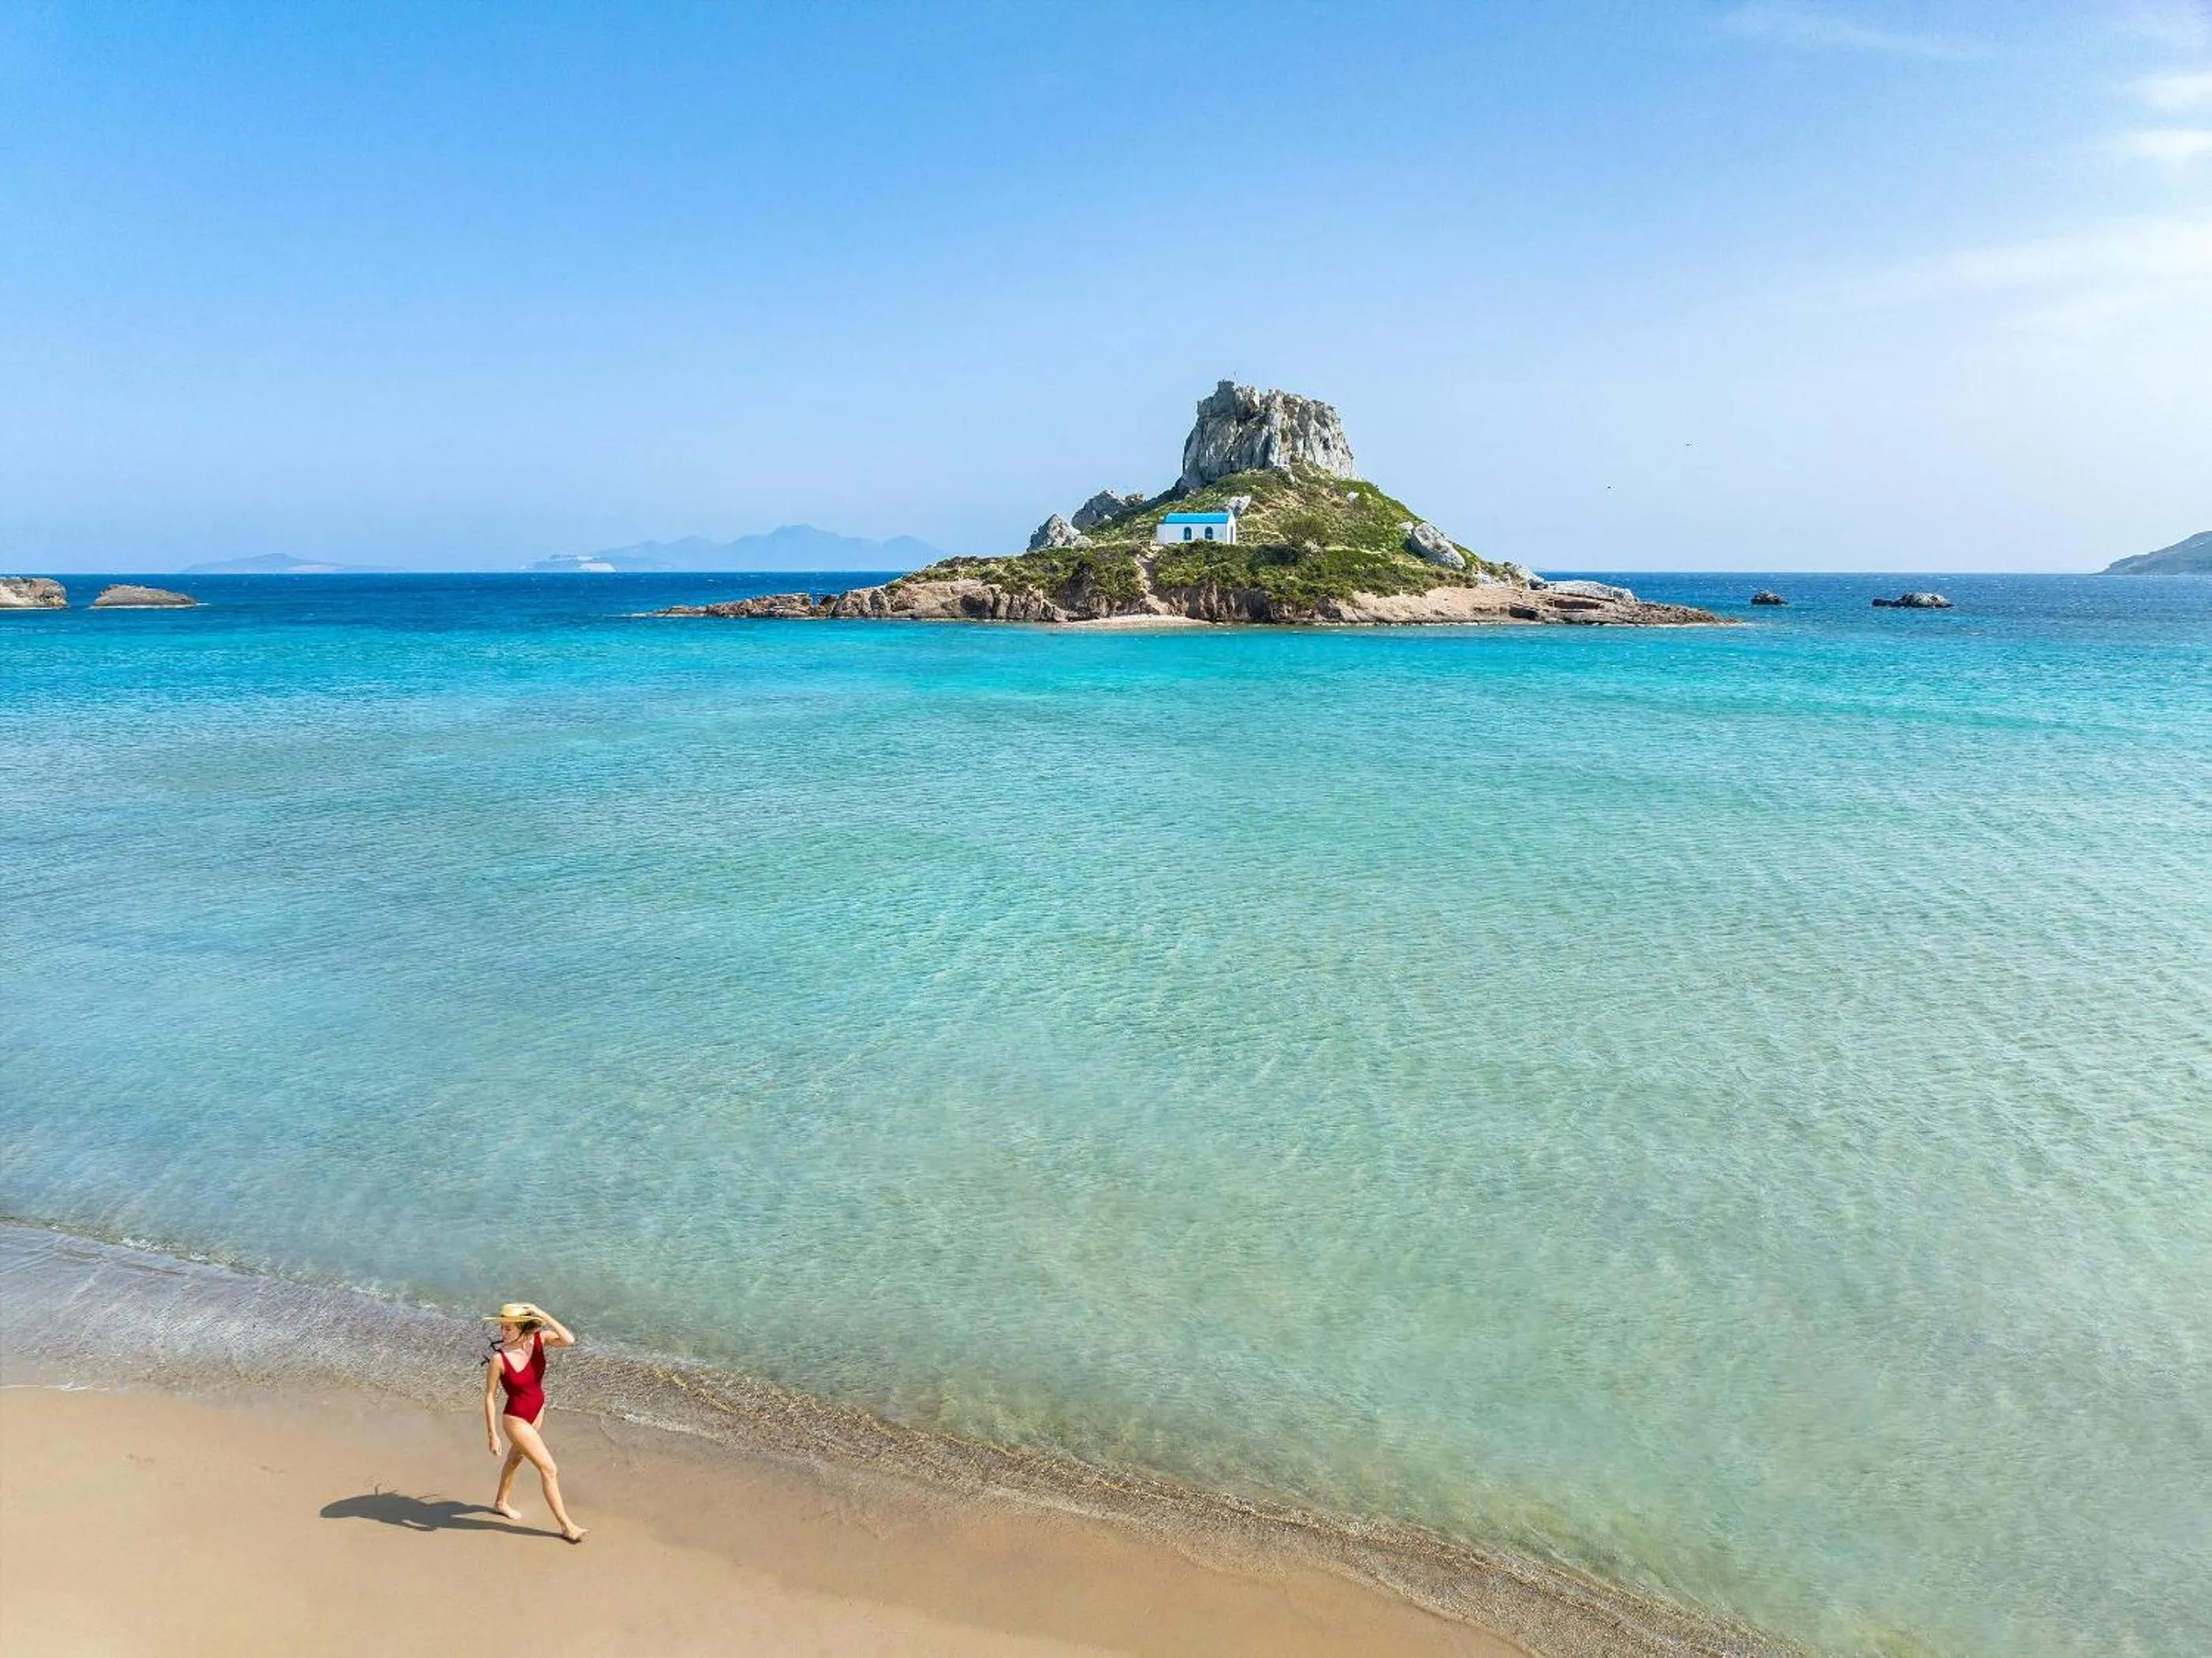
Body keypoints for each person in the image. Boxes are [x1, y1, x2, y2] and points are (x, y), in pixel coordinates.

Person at [481, 1300, 587, 1542]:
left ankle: (500, 1502)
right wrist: (492, 1434)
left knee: (514, 1459)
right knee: (549, 1469)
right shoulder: (499, 1359)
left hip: (537, 1411)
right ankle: (567, 1526)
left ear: (524, 1328)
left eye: (508, 1328)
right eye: (502, 1328)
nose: (502, 1333)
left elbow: (569, 1340)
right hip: (516, 1419)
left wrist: (541, 1313)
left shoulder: (540, 1340)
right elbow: (489, 1396)